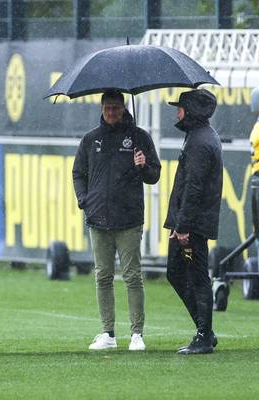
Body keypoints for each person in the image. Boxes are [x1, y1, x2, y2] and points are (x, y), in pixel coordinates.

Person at [73, 89, 161, 351]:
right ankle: (108, 333)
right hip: (98, 219)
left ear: (123, 108)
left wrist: (143, 165)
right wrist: (84, 200)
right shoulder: (91, 140)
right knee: (103, 277)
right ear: (101, 109)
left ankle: (137, 334)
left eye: (116, 108)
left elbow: (154, 175)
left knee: (133, 276)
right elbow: (78, 173)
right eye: (107, 108)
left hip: (129, 219)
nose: (111, 112)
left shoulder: (139, 138)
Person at [164, 89, 223, 355]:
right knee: (175, 272)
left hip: (192, 225)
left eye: (181, 107)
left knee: (197, 277)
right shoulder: (199, 137)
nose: (177, 112)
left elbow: (194, 187)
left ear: (192, 111)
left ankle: (203, 334)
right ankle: (205, 331)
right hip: (188, 222)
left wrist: (183, 226)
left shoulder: (200, 142)